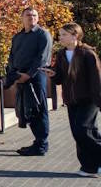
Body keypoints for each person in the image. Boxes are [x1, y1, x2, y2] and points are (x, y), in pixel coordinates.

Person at [42, 23, 101, 177]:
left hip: (88, 100)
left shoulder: (88, 54)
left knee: (83, 130)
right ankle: (89, 167)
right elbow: (61, 78)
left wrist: (98, 100)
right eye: (60, 35)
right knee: (79, 133)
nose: (60, 38)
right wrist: (53, 75)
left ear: (75, 35)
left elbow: (97, 80)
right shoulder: (61, 54)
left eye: (63, 35)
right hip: (71, 100)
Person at [4, 7, 52, 156]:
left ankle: (41, 144)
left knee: (38, 109)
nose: (31, 17)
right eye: (28, 15)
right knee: (25, 110)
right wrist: (14, 75)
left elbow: (42, 58)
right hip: (20, 77)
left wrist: (29, 74)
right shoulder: (17, 37)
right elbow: (12, 57)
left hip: (35, 77)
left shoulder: (43, 34)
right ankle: (37, 142)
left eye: (34, 15)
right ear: (22, 18)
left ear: (37, 18)